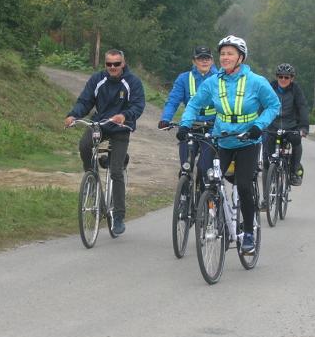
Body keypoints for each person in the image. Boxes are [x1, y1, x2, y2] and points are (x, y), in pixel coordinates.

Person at [178, 35, 280, 253]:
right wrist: (185, 125)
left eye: (230, 54)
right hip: (221, 140)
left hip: (247, 141)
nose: (225, 57)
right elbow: (194, 104)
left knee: (243, 185)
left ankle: (248, 233)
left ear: (240, 57)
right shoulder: (213, 82)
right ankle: (217, 220)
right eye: (222, 54)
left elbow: (274, 105)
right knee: (208, 178)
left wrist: (258, 126)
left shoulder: (256, 81)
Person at [64, 49, 145, 236]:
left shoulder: (132, 82)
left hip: (121, 128)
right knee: (84, 146)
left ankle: (118, 216)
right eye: (109, 64)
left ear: (123, 63)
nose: (113, 67)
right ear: (105, 64)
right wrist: (73, 115)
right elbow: (85, 101)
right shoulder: (97, 79)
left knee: (116, 171)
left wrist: (124, 115)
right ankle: (92, 183)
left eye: (116, 64)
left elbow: (138, 105)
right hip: (100, 124)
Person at [158, 46, 219, 180]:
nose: (204, 61)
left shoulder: (220, 78)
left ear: (212, 61)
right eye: (200, 58)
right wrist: (165, 118)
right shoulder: (184, 78)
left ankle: (206, 192)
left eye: (207, 58)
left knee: (204, 168)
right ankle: (184, 190)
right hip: (189, 126)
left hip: (212, 127)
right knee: (185, 166)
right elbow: (173, 101)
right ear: (194, 61)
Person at [265, 63, 309, 187]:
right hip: (273, 125)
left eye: (286, 77)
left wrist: (304, 127)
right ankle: (269, 173)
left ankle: (294, 171)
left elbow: (302, 107)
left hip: (291, 126)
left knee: (296, 141)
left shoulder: (296, 90)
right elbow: (262, 104)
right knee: (267, 152)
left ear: (291, 78)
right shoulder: (270, 88)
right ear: (277, 77)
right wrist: (258, 123)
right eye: (280, 77)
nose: (283, 79)